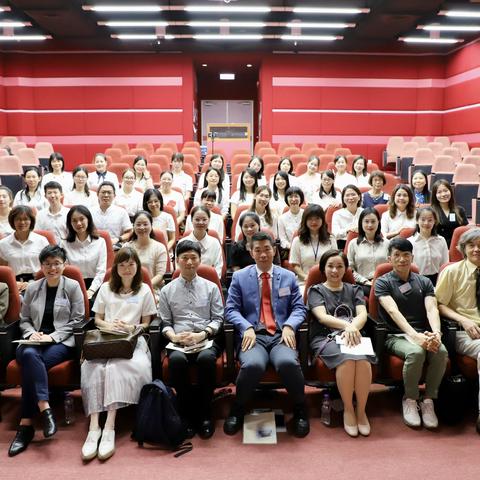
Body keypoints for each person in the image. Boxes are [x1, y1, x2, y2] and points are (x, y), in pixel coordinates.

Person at [224, 232, 309, 438]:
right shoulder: (240, 277)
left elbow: (299, 308)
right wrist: (247, 327)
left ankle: (300, 410)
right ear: (251, 253)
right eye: (258, 250)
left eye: (267, 249)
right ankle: (238, 408)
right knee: (253, 365)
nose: (263, 254)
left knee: (288, 363)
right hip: (254, 335)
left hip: (281, 334)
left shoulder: (288, 276)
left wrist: (289, 325)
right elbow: (231, 309)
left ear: (275, 250)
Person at [80, 247, 156, 461]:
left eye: (131, 264)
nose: (126, 268)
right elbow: (97, 320)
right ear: (116, 268)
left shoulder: (144, 290)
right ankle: (94, 427)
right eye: (122, 264)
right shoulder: (105, 288)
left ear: (137, 267)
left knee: (115, 368)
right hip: (106, 338)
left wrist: (131, 328)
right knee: (92, 366)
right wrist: (110, 325)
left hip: (132, 340)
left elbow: (147, 323)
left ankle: (109, 427)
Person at [8, 245, 84, 457]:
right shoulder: (33, 287)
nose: (52, 268)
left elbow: (78, 320)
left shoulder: (73, 286)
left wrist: (52, 336)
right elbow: (24, 320)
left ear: (64, 264)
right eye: (48, 264)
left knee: (29, 361)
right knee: (30, 354)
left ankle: (26, 425)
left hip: (61, 343)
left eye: (57, 263)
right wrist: (32, 334)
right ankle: (44, 407)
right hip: (34, 342)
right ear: (41, 266)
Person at [374, 238, 448, 429]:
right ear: (389, 258)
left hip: (423, 333)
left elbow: (432, 309)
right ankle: (410, 399)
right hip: (395, 335)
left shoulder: (424, 281)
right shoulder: (383, 282)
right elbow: (393, 311)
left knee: (441, 352)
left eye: (406, 255)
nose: (401, 259)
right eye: (396, 255)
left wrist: (436, 334)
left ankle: (429, 399)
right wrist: (415, 337)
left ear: (412, 257)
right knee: (416, 352)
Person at [159, 240, 224, 439]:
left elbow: (218, 318)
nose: (189, 262)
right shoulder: (166, 290)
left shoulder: (211, 287)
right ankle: (186, 413)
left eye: (193, 258)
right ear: (177, 260)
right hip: (178, 341)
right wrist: (173, 336)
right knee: (177, 361)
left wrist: (202, 334)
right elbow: (165, 322)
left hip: (205, 339)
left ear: (200, 260)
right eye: (184, 258)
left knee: (206, 359)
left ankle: (205, 413)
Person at [308, 249, 375, 437]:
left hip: (353, 335)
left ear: (346, 269)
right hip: (325, 337)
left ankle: (361, 410)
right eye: (330, 266)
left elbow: (362, 314)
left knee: (362, 360)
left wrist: (353, 328)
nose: (335, 271)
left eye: (339, 266)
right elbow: (322, 317)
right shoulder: (316, 290)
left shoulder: (354, 289)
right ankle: (348, 409)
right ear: (323, 268)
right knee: (347, 359)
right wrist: (349, 326)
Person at [436, 228, 480, 434]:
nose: (477, 249)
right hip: (465, 331)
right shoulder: (452, 271)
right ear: (463, 249)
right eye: (471, 245)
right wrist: (463, 319)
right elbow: (440, 304)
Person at [61, 205, 107, 301]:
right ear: (70, 223)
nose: (78, 223)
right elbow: (66, 271)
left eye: (82, 219)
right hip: (73, 285)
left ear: (88, 220)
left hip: (95, 285)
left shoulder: (100, 242)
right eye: (74, 220)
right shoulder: (64, 244)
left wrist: (91, 290)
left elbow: (101, 271)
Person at [0, 206, 49, 293]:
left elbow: (48, 266)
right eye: (18, 219)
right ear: (12, 221)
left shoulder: (42, 241)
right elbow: (3, 271)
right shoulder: (3, 244)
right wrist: (14, 283)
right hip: (14, 284)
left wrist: (33, 284)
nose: (22, 222)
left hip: (39, 283)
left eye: (26, 219)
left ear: (31, 221)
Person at [289, 204, 337, 289]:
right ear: (305, 220)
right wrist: (306, 277)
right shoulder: (297, 240)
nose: (314, 222)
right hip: (304, 282)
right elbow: (295, 265)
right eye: (310, 219)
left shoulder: (331, 239)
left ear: (322, 220)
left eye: (317, 219)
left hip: (327, 281)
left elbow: (335, 262)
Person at [347, 207, 389, 296]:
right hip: (362, 284)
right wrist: (365, 281)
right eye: (366, 221)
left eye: (373, 221)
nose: (370, 225)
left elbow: (391, 267)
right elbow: (350, 269)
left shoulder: (387, 243)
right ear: (361, 223)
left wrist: (378, 280)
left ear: (378, 222)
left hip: (384, 282)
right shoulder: (353, 244)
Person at [126, 210, 167, 296]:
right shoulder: (126, 247)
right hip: (128, 289)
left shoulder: (159, 248)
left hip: (151, 289)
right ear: (133, 226)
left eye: (145, 224)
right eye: (138, 224)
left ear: (151, 226)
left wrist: (142, 289)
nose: (142, 227)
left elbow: (160, 275)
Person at [177, 206, 223, 280]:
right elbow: (178, 268)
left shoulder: (215, 243)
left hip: (209, 284)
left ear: (209, 220)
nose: (201, 222)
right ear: (191, 220)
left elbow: (218, 268)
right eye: (197, 220)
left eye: (204, 219)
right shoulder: (182, 242)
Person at [407, 207, 448, 285]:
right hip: (415, 280)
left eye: (430, 220)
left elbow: (445, 264)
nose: (426, 223)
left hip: (437, 280)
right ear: (417, 221)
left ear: (435, 221)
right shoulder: (410, 242)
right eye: (423, 219)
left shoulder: (441, 240)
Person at [91, 181, 133, 247]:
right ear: (97, 194)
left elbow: (129, 232)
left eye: (109, 192)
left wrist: (118, 239)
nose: (106, 195)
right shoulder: (90, 211)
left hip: (114, 246)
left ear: (114, 195)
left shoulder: (122, 212)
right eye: (103, 192)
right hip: (94, 246)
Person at [430, 179, 468, 247]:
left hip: (456, 247)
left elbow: (464, 232)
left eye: (446, 191)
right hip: (437, 247)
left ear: (450, 191)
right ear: (434, 195)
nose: (443, 194)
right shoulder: (430, 211)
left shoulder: (460, 210)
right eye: (439, 192)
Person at [332, 184, 363, 250]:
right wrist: (348, 230)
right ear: (343, 198)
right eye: (347, 195)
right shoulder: (337, 214)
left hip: (362, 244)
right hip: (343, 245)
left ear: (359, 197)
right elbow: (335, 234)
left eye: (353, 194)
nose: (351, 198)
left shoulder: (364, 212)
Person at [277, 186, 305, 258]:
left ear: (301, 198)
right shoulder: (281, 218)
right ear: (286, 199)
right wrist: (292, 247)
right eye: (290, 197)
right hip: (290, 250)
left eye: (296, 196)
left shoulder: (307, 215)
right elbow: (282, 239)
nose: (293, 199)